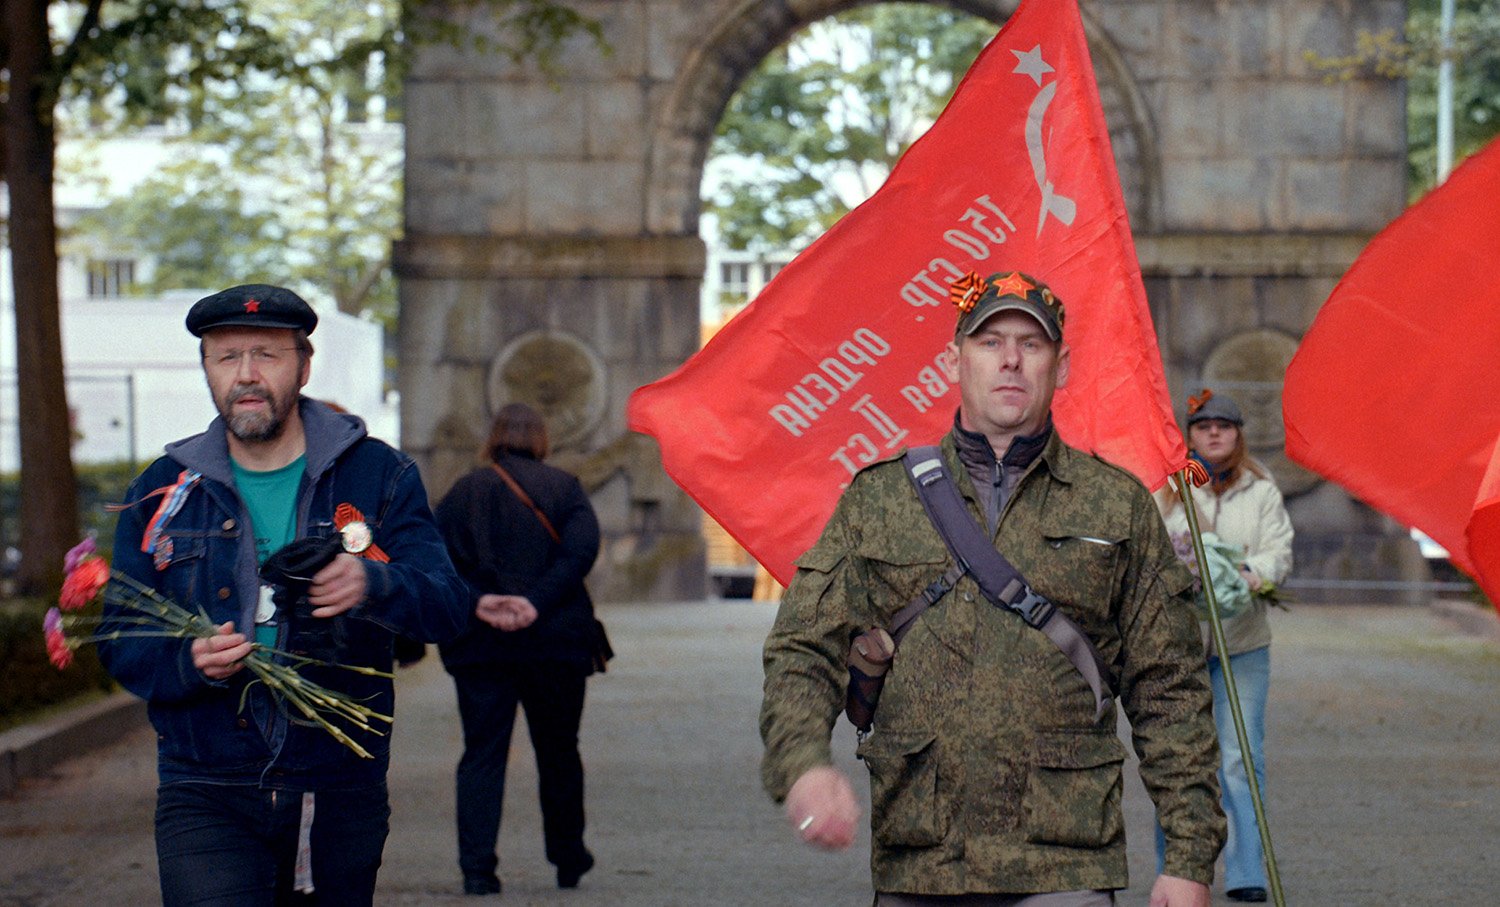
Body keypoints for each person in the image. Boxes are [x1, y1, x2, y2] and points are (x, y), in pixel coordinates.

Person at [759, 271, 1226, 907]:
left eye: (1032, 345)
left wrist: (1191, 858)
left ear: (1061, 369)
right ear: (955, 361)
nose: (1010, 360)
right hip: (921, 860)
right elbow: (802, 649)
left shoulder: (1116, 506)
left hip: (1064, 862)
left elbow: (1169, 688)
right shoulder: (880, 498)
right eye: (989, 342)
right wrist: (804, 764)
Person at [97, 284, 470, 906]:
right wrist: (186, 662)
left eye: (267, 355)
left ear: (303, 364)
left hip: (335, 783)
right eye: (226, 357)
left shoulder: (379, 475)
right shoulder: (163, 490)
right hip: (204, 781)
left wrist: (371, 582)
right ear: (207, 370)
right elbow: (119, 637)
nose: (246, 375)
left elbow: (448, 606)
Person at [434, 402, 602, 896]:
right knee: (559, 751)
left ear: (494, 438)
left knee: (482, 753)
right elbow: (580, 552)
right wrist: (535, 602)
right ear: (542, 438)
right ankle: (568, 856)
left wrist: (480, 601)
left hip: (482, 646)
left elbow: (436, 560)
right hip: (554, 644)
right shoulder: (565, 488)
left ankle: (477, 869)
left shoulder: (463, 492)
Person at [1154, 390, 1294, 904]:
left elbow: (1279, 547)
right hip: (1181, 649)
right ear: (1189, 434)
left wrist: (1251, 575)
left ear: (1238, 435)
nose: (1214, 433)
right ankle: (1178, 868)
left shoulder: (1260, 489)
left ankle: (1245, 871)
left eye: (1224, 426)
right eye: (1204, 425)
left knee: (1239, 758)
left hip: (1243, 644)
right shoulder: (1170, 487)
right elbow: (1150, 550)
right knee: (1178, 760)